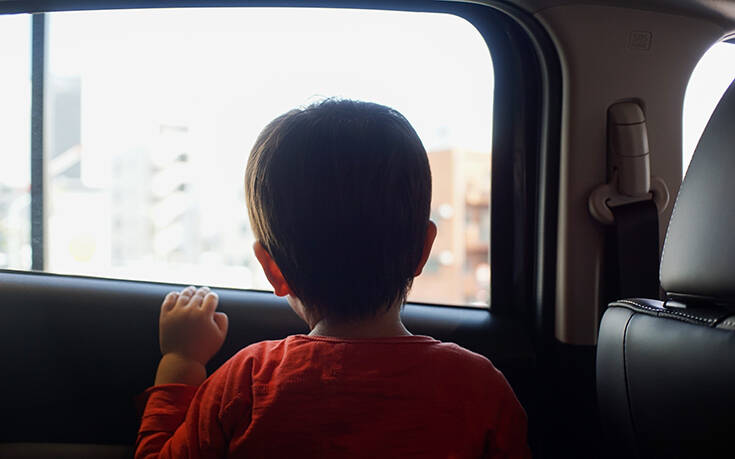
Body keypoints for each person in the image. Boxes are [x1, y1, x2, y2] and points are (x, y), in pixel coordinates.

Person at [135, 99, 531, 458]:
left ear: (273, 269)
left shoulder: (246, 383)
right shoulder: (478, 388)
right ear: (422, 250)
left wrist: (181, 360)